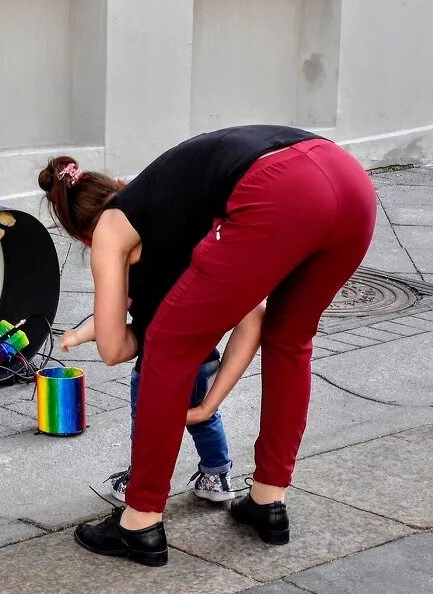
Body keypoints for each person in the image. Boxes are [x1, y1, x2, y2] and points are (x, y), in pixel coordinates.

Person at [39, 125, 376, 566]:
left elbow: (113, 350)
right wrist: (206, 403)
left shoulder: (108, 227)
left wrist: (116, 318)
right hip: (350, 182)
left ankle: (139, 523)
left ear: (81, 235)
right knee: (291, 339)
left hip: (279, 184)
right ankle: (267, 501)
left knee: (167, 344)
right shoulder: (177, 207)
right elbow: (252, 319)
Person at [60, 300, 265, 504]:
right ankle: (217, 477)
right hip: (204, 363)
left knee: (147, 428)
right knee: (206, 420)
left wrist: (78, 335)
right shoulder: (197, 274)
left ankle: (139, 481)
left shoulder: (139, 275)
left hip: (156, 369)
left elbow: (109, 317)